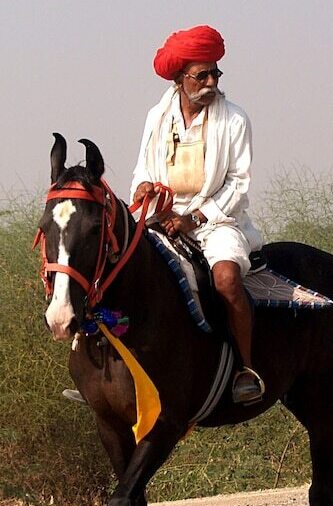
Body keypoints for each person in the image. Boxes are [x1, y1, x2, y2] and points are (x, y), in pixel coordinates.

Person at [63, 25, 266, 405]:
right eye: (201, 75)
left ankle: (245, 369)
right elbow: (143, 169)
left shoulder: (234, 119)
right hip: (162, 217)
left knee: (225, 280)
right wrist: (143, 189)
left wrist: (195, 219)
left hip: (217, 222)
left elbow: (238, 184)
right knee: (113, 262)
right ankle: (97, 372)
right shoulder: (157, 117)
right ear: (179, 78)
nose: (210, 81)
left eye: (215, 73)